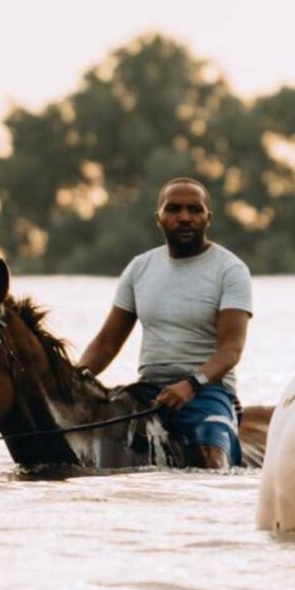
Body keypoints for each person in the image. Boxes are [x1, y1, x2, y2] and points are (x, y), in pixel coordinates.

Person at [78, 177, 253, 469]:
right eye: (173, 209)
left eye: (194, 210)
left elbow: (231, 349)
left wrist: (191, 384)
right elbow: (106, 344)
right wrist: (74, 382)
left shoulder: (231, 270)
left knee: (212, 461)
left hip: (208, 391)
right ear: (158, 218)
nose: (184, 217)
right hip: (149, 391)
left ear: (208, 218)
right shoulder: (139, 268)